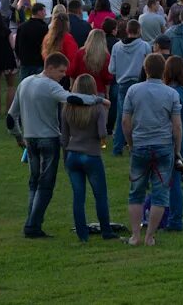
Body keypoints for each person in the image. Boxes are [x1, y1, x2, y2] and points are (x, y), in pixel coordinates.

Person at [7, 52, 107, 238]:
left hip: (30, 139)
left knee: (33, 183)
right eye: (61, 71)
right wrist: (98, 99)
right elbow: (72, 99)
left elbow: (11, 117)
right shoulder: (51, 86)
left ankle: (32, 221)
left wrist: (18, 137)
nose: (63, 75)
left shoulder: (25, 82)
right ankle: (32, 226)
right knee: (45, 185)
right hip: (49, 139)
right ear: (50, 67)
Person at [122, 53, 181, 247]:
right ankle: (150, 236)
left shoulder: (133, 90)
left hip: (140, 144)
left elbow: (125, 121)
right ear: (163, 70)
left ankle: (135, 235)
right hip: (164, 145)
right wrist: (177, 150)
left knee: (135, 192)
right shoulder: (171, 93)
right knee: (160, 193)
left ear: (145, 69)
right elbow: (177, 126)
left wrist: (130, 143)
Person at [60, 73, 117, 242]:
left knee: (78, 197)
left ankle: (82, 234)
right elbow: (101, 133)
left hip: (72, 154)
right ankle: (106, 231)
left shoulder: (67, 108)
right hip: (91, 154)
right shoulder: (97, 108)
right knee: (100, 195)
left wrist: (66, 158)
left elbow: (63, 138)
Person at [108, 20, 151, 156]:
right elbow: (148, 66)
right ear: (139, 31)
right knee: (141, 115)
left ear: (127, 31)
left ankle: (117, 148)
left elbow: (112, 69)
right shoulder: (144, 46)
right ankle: (139, 145)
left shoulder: (116, 47)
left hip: (123, 84)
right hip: (139, 83)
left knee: (123, 116)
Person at [163, 56, 183, 232]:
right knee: (173, 179)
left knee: (172, 181)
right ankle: (171, 217)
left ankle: (174, 220)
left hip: (174, 135)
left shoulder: (170, 91)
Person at [14, 2, 48, 82]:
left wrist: (20, 57)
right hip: (38, 62)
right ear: (39, 12)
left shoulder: (22, 27)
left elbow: (17, 45)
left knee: (24, 87)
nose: (45, 14)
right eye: (44, 11)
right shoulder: (43, 27)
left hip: (25, 61)